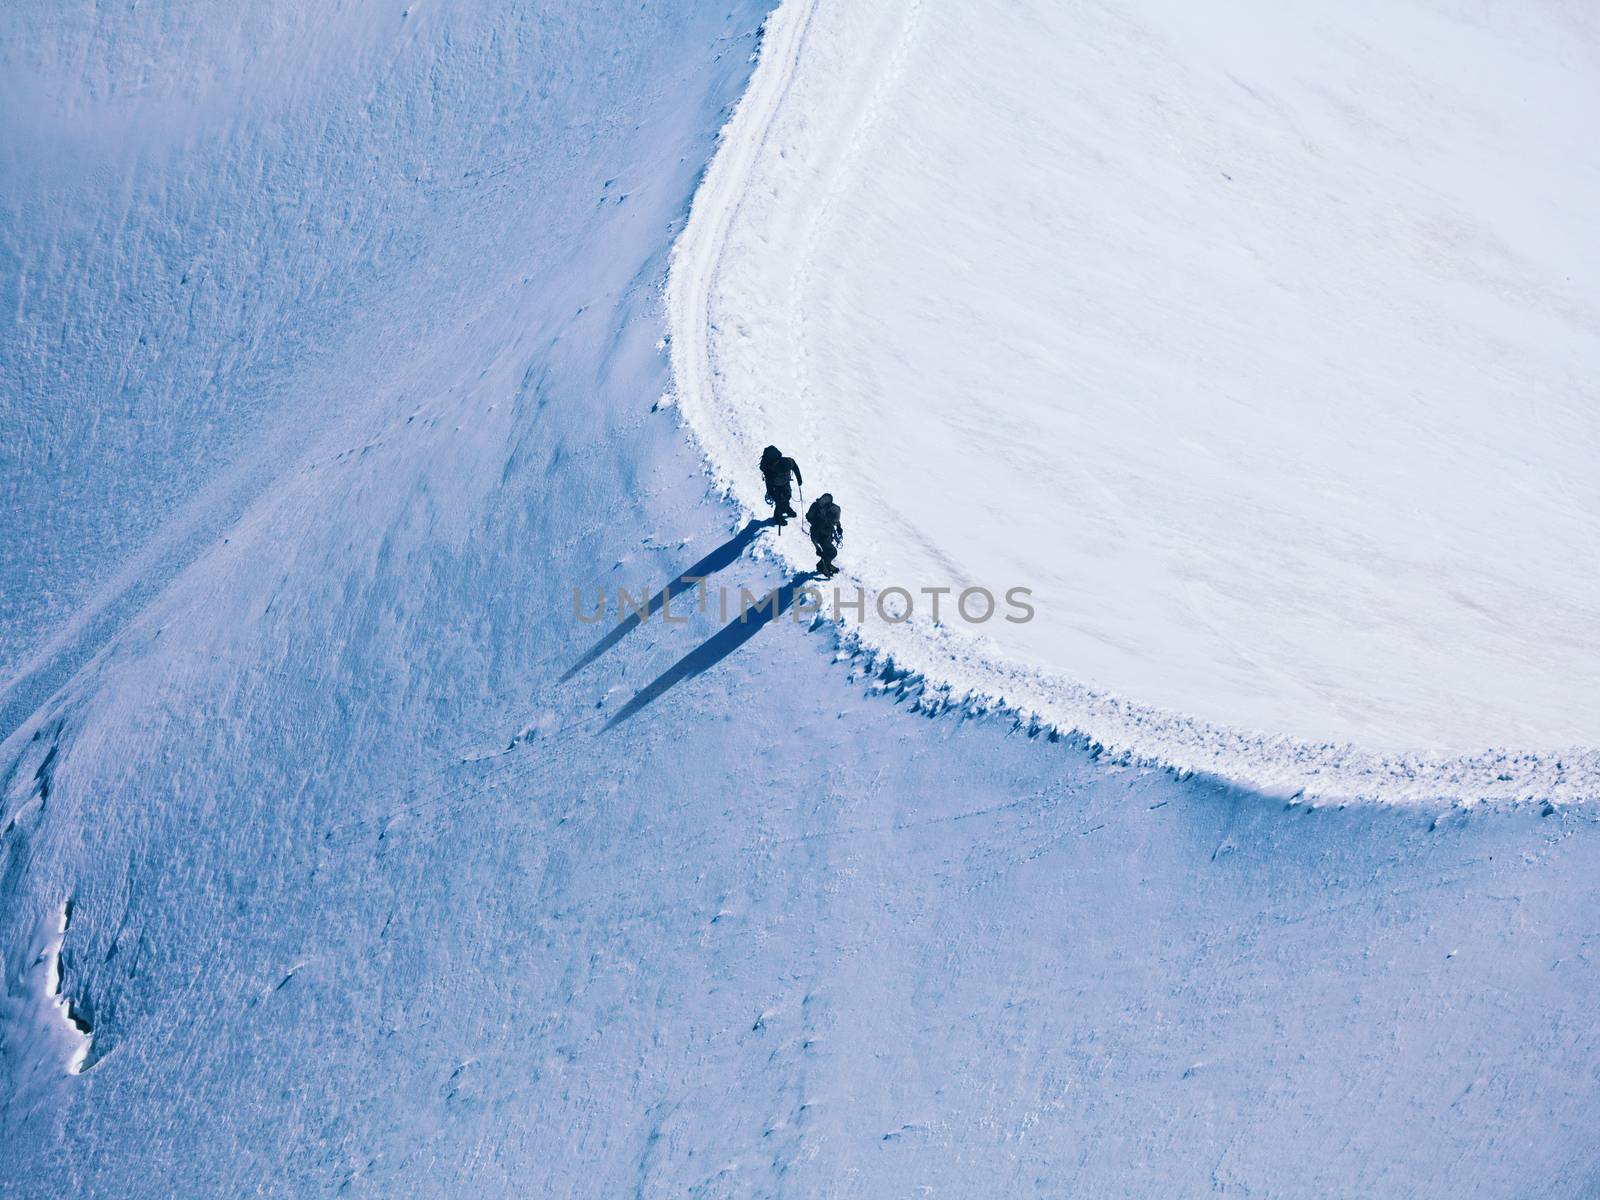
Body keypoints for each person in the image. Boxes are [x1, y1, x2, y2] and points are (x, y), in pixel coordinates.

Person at [759, 445, 803, 527]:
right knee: (779, 501)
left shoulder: (787, 462)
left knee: (787, 496)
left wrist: (799, 480)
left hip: (785, 482)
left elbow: (795, 467)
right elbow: (768, 483)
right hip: (774, 485)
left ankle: (786, 508)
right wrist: (772, 494)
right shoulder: (769, 469)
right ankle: (777, 516)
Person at [806, 492, 843, 577]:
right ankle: (822, 566)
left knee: (827, 552)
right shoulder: (821, 509)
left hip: (827, 533)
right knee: (832, 552)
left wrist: (838, 527)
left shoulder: (830, 509)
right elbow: (809, 518)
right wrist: (817, 548)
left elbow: (836, 520)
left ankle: (825, 564)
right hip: (819, 534)